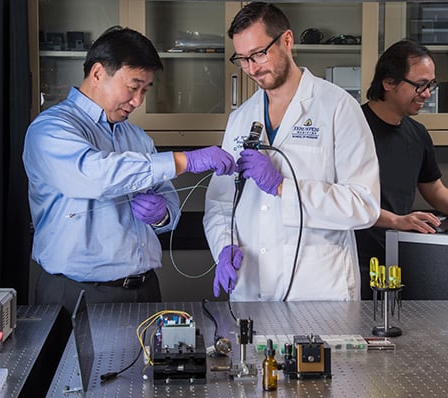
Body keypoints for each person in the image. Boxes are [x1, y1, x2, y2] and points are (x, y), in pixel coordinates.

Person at [23, 26, 236, 316]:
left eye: (145, 90)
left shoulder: (136, 137)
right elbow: (96, 175)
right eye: (133, 87)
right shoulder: (51, 129)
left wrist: (161, 215)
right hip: (77, 293)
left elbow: (170, 205)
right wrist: (184, 160)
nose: (138, 101)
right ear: (98, 73)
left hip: (145, 290)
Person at [203, 2, 381, 302]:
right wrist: (224, 245)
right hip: (251, 288)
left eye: (259, 54)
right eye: (243, 59)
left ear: (287, 40)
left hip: (317, 289)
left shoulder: (337, 107)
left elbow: (364, 204)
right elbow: (220, 203)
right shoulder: (241, 118)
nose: (252, 68)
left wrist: (283, 187)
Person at [355, 39, 448, 299]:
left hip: (398, 256)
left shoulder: (417, 134)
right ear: (388, 82)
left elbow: (433, 188)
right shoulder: (352, 128)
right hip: (355, 261)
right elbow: (343, 199)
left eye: (431, 84)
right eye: (420, 85)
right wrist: (396, 220)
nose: (428, 94)